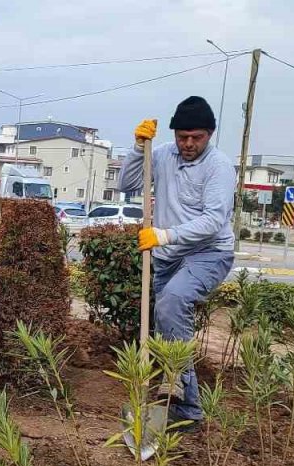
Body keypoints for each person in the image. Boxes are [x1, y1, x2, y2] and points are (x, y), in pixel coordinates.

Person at [119, 96, 236, 429]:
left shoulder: (219, 166)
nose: (187, 144)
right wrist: (138, 148)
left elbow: (214, 220)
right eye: (182, 137)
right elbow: (127, 185)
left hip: (208, 253)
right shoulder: (163, 156)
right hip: (168, 258)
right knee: (165, 323)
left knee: (172, 302)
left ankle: (187, 408)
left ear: (209, 134)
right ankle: (181, 402)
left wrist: (164, 236)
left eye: (195, 138)